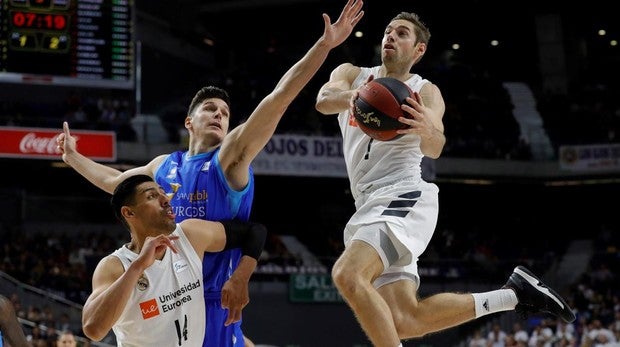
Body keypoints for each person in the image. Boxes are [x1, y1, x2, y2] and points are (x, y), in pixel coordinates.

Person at [56, 1, 363, 346]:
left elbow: (279, 99)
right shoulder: (163, 166)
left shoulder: (229, 159)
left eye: (225, 112)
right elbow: (115, 182)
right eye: (210, 109)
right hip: (170, 295)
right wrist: (73, 157)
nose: (219, 114)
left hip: (216, 299)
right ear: (189, 122)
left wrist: (324, 46)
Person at [314, 11, 576, 347]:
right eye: (388, 31)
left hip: (402, 196)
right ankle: (513, 295)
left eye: (402, 33)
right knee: (406, 321)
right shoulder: (352, 74)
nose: (391, 37)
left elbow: (436, 145)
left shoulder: (425, 91)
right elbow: (323, 101)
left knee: (347, 275)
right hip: (368, 204)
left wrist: (425, 126)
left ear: (418, 50)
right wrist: (353, 97)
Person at [81, 174, 267, 346]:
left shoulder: (190, 235)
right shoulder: (114, 265)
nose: (166, 199)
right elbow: (93, 329)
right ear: (129, 213)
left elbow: (255, 231)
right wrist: (137, 266)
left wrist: (241, 277)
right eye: (151, 196)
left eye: (163, 193)